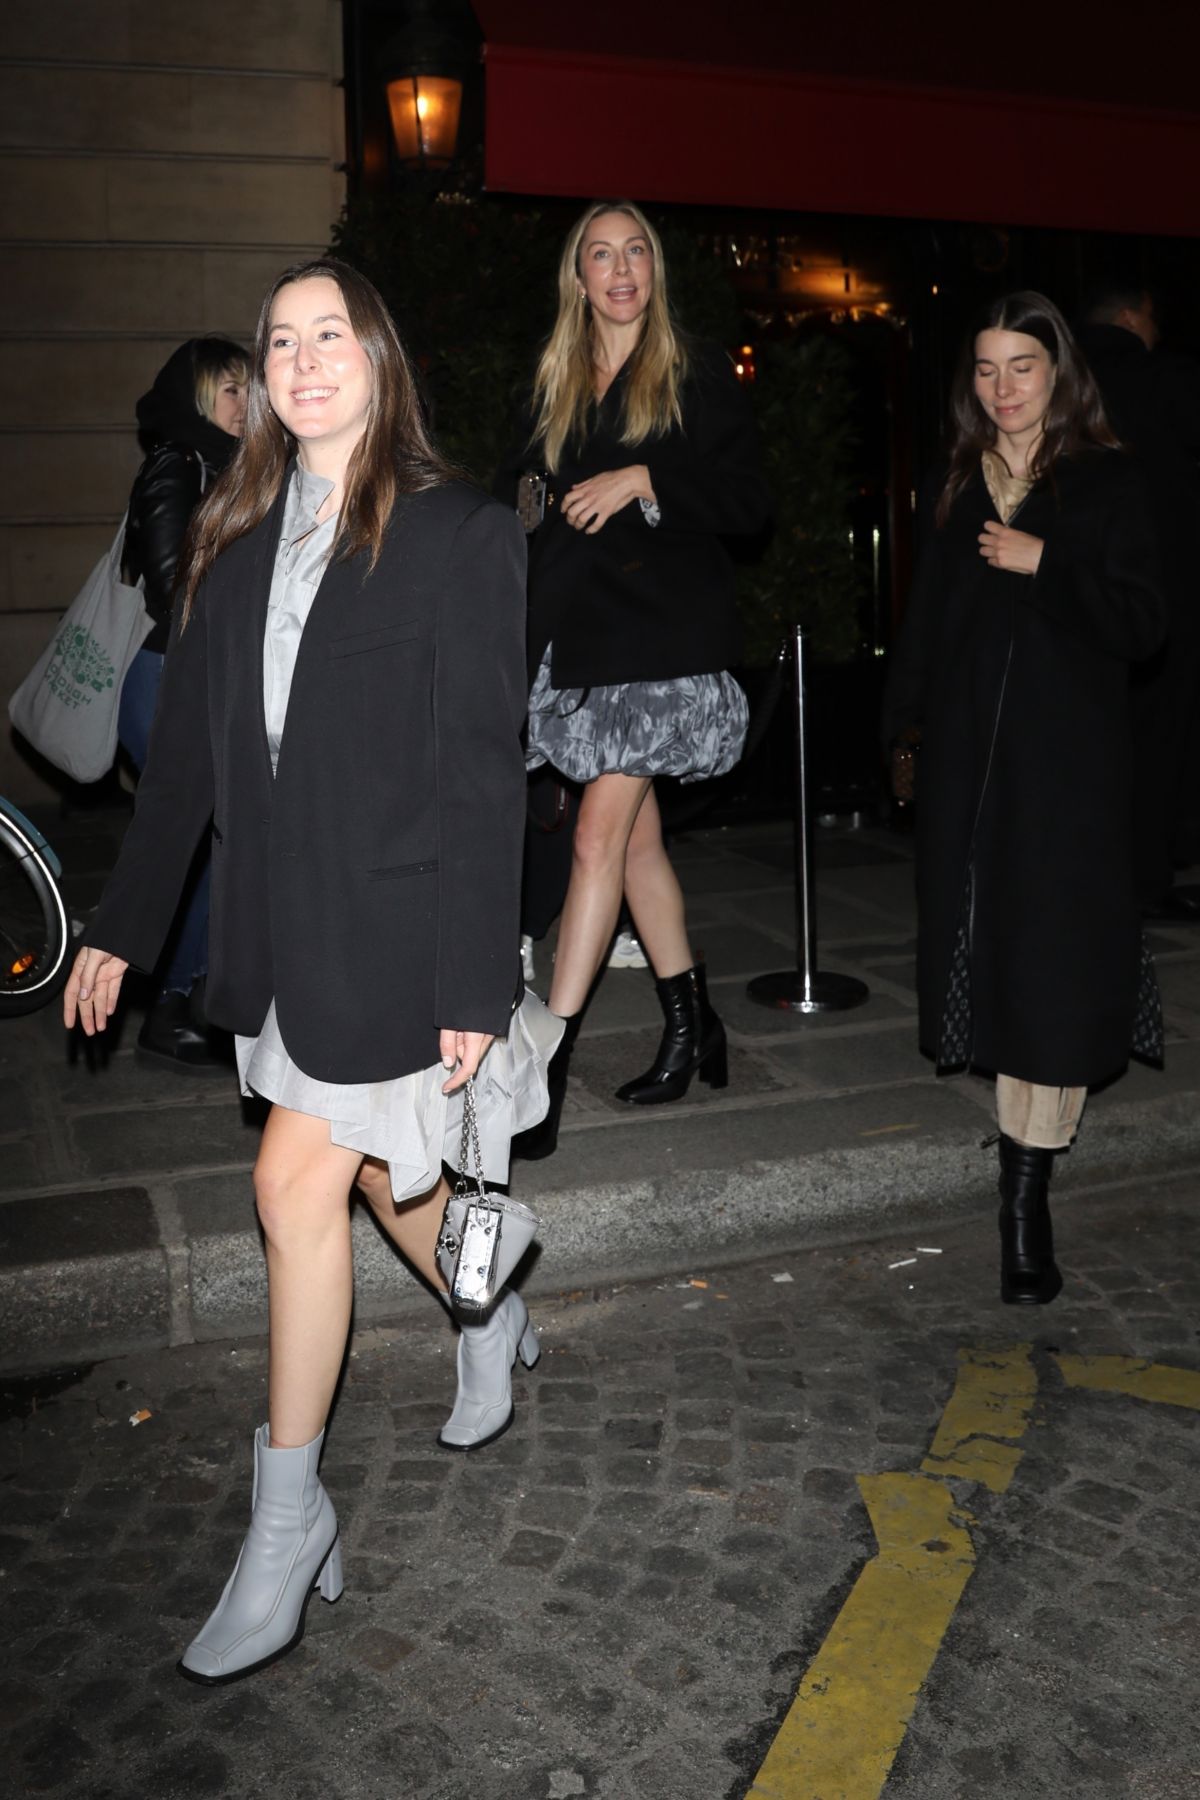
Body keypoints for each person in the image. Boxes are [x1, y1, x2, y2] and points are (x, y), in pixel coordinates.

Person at [64, 258, 558, 1685]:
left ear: (378, 361)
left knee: (292, 1183)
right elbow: (189, 783)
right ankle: (493, 1290)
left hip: (407, 939)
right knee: (369, 1176)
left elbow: (481, 771)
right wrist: (119, 924)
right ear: (264, 378)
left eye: (330, 334)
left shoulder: (459, 535)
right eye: (281, 341)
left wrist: (475, 980)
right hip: (290, 944)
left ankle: (288, 1523)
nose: (303, 358)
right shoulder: (233, 541)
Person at [883, 291, 1165, 1306]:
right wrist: (904, 730)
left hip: (1067, 783)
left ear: (1061, 376)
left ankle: (1022, 1207)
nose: (1002, 390)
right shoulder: (958, 484)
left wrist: (1049, 564)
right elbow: (927, 624)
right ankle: (1020, 1187)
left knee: (1048, 989)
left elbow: (1143, 625)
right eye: (986, 371)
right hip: (972, 776)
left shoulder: (1106, 484)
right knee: (994, 977)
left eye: (1022, 369)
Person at [499, 200, 770, 1159]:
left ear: (655, 269)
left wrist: (648, 481)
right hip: (579, 647)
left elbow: (748, 503)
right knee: (639, 846)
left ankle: (544, 1070)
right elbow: (526, 504)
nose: (620, 270)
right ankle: (696, 1024)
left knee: (592, 845)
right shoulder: (558, 380)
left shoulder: (692, 373)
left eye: (636, 252)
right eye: (600, 255)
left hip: (658, 652)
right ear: (578, 278)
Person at [119, 336, 249, 1069]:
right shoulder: (180, 462)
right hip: (170, 684)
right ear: (199, 399)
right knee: (198, 848)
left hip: (197, 681)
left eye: (244, 389)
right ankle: (172, 1007)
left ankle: (192, 1000)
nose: (243, 404)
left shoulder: (229, 465)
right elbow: (174, 583)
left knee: (213, 847)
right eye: (229, 390)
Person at [1078, 282, 1200, 917]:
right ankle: (1147, 876)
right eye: (1153, 316)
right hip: (1166, 584)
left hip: (1073, 578)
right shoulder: (1167, 380)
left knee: (1088, 730)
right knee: (1158, 735)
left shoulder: (1061, 377)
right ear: (1130, 317)